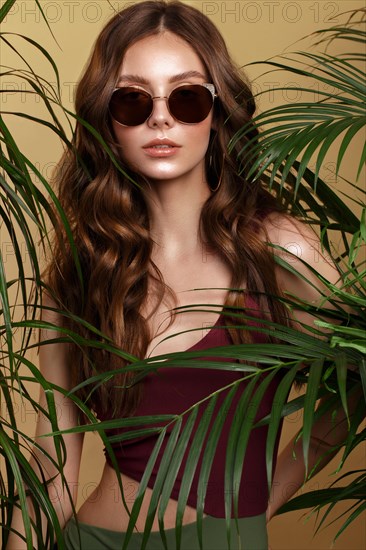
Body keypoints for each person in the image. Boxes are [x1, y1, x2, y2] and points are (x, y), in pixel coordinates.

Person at [6, 1, 357, 549]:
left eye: (187, 97)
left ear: (218, 114)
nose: (161, 118)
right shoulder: (81, 274)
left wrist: (263, 499)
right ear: (107, 119)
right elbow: (53, 463)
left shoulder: (277, 250)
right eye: (133, 99)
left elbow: (354, 384)